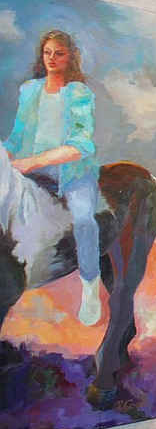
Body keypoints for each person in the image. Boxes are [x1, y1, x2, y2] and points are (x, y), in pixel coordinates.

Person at [4, 29, 102, 326]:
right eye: (48, 52)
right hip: (31, 171)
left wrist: (33, 161)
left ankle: (90, 285)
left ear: (69, 56)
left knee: (85, 220)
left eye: (59, 53)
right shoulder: (29, 91)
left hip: (72, 174)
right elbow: (17, 137)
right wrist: (5, 156)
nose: (52, 58)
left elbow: (82, 145)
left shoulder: (79, 93)